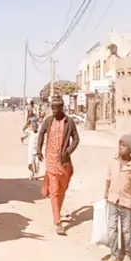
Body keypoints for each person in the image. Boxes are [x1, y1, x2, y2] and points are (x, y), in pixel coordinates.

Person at [37, 95, 80, 235]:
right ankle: (58, 222)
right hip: (51, 161)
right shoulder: (48, 120)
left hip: (64, 162)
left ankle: (57, 212)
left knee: (62, 190)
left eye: (56, 108)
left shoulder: (70, 122)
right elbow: (41, 133)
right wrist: (38, 149)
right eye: (52, 108)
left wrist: (68, 151)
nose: (54, 111)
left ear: (62, 108)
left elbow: (76, 139)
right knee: (54, 191)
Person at [104, 134, 131, 261]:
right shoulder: (113, 160)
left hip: (127, 202)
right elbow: (108, 178)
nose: (121, 148)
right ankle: (114, 255)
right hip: (112, 199)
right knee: (112, 229)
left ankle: (127, 253)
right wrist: (106, 192)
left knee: (126, 231)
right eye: (120, 145)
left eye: (124, 146)